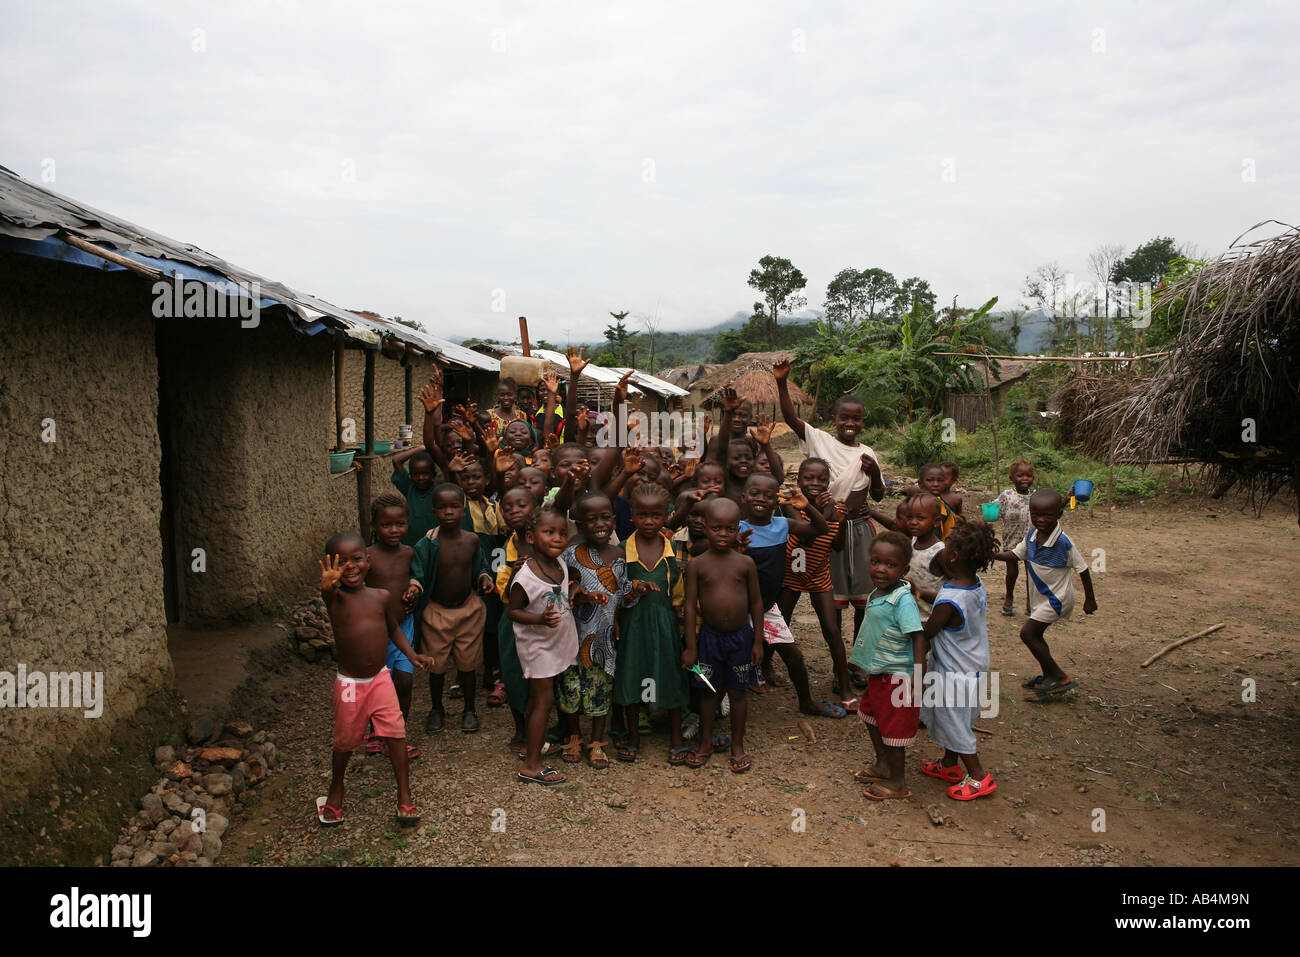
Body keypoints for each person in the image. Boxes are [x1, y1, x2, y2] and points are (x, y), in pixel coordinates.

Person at [316, 532, 434, 827]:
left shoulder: (380, 597)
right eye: (341, 563)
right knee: (344, 741)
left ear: (368, 561)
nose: (351, 567)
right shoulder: (336, 599)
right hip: (350, 685)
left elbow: (394, 629)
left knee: (396, 734)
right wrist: (327, 587)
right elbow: (328, 591)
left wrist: (413, 655)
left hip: (381, 679)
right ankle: (336, 790)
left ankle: (404, 797)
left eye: (356, 559)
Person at [774, 358, 884, 643]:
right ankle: (836, 655)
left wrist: (874, 473)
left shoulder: (868, 453)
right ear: (834, 419)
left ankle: (857, 656)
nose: (849, 423)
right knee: (831, 595)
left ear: (863, 422)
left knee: (863, 597)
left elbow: (878, 494)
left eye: (855, 419)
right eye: (844, 418)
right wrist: (782, 382)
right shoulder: (820, 441)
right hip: (825, 529)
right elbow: (791, 419)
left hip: (859, 529)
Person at [918, 520, 999, 801]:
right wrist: (921, 592)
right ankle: (950, 765)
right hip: (972, 666)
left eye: (946, 544)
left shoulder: (950, 599)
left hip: (955, 674)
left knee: (954, 722)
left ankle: (979, 777)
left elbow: (929, 630)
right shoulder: (971, 585)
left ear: (952, 555)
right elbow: (948, 602)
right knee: (953, 716)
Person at [682, 497, 764, 773]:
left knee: (739, 693)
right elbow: (690, 607)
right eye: (717, 528)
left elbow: (756, 603)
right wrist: (691, 646)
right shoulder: (697, 564)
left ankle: (737, 746)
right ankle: (705, 742)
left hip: (741, 638)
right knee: (707, 693)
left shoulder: (745, 564)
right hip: (708, 639)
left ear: (738, 529)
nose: (723, 535)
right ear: (705, 527)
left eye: (730, 529)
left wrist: (757, 641)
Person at [560, 492, 640, 768]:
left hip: (604, 638)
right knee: (570, 690)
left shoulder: (620, 554)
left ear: (614, 520)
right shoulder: (570, 553)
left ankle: (596, 741)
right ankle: (573, 736)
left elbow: (622, 592)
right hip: (573, 636)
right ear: (580, 525)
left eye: (605, 517)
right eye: (591, 519)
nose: (599, 524)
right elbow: (561, 588)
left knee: (599, 691)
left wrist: (636, 591)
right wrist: (577, 593)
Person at [994, 489, 1098, 699]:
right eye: (1036, 514)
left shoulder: (1063, 542)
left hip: (1057, 600)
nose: (1040, 520)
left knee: (1028, 634)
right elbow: (1014, 554)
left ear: (1059, 514)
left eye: (1047, 515)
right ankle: (1048, 674)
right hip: (1042, 599)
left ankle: (1060, 677)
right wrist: (988, 554)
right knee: (1036, 636)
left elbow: (1083, 569)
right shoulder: (1032, 534)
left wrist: (1090, 599)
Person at [410, 484, 496, 733]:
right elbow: (417, 572)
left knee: (468, 664)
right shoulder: (427, 543)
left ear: (463, 509)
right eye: (442, 507)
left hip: (468, 610)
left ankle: (470, 709)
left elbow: (481, 566)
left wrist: (484, 578)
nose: (449, 512)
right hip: (437, 612)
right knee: (436, 667)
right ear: (434, 510)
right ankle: (436, 709)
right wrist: (414, 587)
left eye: (454, 507)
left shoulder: (471, 540)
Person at [617, 483, 691, 764]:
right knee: (632, 676)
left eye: (656, 515)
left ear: (666, 516)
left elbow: (678, 592)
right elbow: (616, 591)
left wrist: (682, 613)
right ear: (631, 516)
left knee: (669, 675)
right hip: (633, 624)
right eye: (642, 515)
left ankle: (675, 738)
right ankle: (634, 737)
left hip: (665, 625)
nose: (649, 521)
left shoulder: (672, 550)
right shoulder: (624, 550)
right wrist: (633, 590)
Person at [848, 530, 924, 801]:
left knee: (894, 729)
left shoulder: (902, 600)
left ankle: (898, 781)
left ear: (903, 570)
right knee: (870, 715)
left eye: (890, 565)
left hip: (898, 676)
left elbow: (917, 635)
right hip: (879, 672)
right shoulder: (878, 592)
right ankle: (882, 763)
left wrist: (917, 672)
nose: (881, 569)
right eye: (876, 562)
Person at [509, 505, 581, 785]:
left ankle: (531, 746)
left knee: (538, 700)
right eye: (549, 532)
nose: (557, 539)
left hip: (556, 642)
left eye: (562, 533)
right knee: (543, 701)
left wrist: (577, 592)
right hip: (537, 646)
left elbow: (561, 592)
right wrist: (539, 618)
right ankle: (531, 765)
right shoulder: (525, 576)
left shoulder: (559, 564)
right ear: (531, 536)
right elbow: (512, 612)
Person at [776, 458, 854, 710]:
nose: (815, 483)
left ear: (829, 482)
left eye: (822, 479)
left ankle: (844, 684)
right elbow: (806, 538)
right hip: (791, 574)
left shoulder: (834, 505)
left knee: (832, 631)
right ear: (798, 481)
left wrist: (841, 522)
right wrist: (819, 511)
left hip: (819, 574)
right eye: (809, 478)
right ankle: (763, 668)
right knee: (780, 625)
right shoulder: (792, 506)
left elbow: (838, 545)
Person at [364, 494, 421, 760]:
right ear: (374, 525)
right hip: (375, 632)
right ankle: (375, 729)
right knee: (377, 683)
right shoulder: (367, 557)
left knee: (404, 681)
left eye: (400, 524)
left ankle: (397, 734)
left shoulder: (409, 553)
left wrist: (413, 590)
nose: (394, 530)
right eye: (387, 525)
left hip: (404, 625)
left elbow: (417, 578)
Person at [995, 460, 1035, 616]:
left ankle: (1030, 603)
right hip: (1011, 541)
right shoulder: (1007, 496)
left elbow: (1050, 510)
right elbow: (994, 510)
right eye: (1020, 475)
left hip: (1031, 542)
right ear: (1012, 478)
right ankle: (1009, 599)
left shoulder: (1035, 497)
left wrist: (1066, 500)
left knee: (1031, 574)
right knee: (1012, 572)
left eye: (1029, 476)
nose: (1025, 479)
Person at [905, 493, 946, 613]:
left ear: (937, 522)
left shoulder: (940, 552)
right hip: (909, 614)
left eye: (920, 518)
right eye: (909, 517)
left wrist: (921, 592)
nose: (913, 522)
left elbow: (950, 592)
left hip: (928, 616)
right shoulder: (912, 542)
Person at [390, 449, 437, 545]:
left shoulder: (439, 492)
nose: (420, 478)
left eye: (425, 473)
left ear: (433, 474)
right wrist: (421, 448)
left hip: (433, 545)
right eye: (416, 474)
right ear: (410, 475)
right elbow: (396, 460)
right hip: (411, 545)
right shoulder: (409, 488)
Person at [919, 463, 958, 539]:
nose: (936, 484)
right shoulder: (912, 505)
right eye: (930, 480)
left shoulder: (946, 511)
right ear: (920, 483)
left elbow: (950, 537)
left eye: (940, 480)